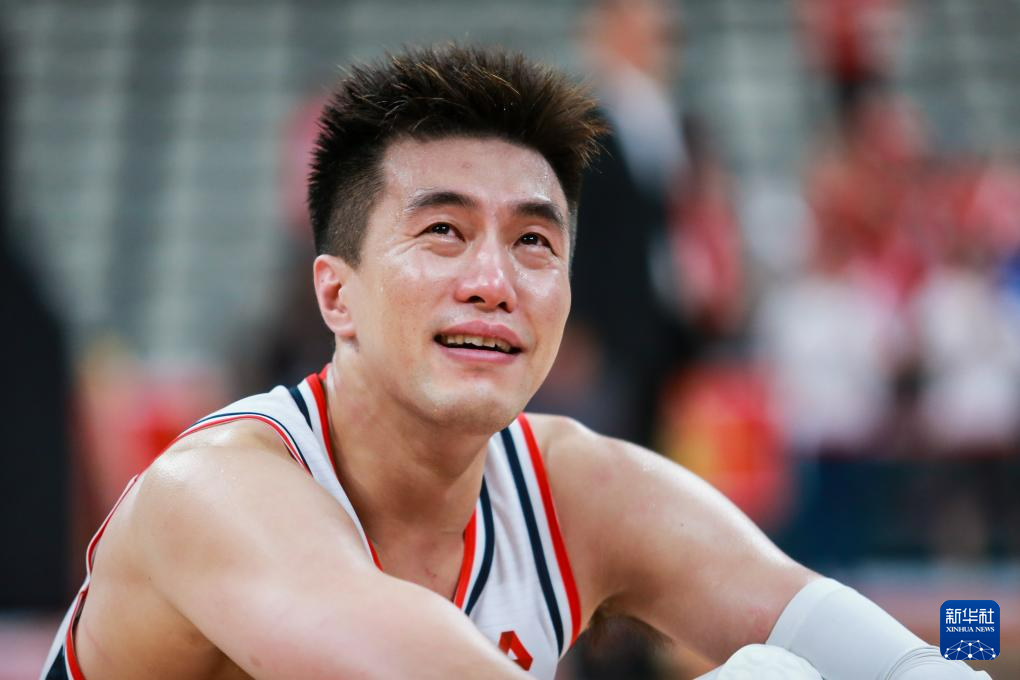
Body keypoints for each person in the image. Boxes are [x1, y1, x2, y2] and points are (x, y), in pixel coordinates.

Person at [43, 45, 991, 680]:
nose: (494, 281)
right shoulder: (214, 491)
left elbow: (885, 656)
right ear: (336, 295)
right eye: (444, 232)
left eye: (534, 242)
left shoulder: (583, 485)